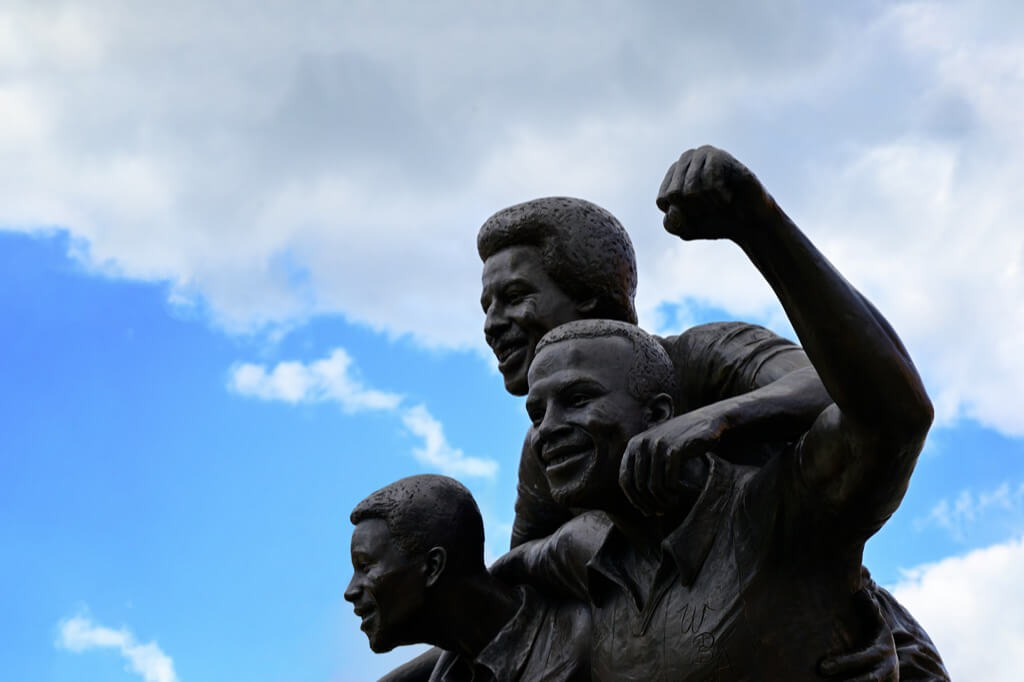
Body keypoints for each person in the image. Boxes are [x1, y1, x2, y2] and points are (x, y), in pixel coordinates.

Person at [494, 145, 944, 676]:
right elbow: (522, 601)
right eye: (488, 306)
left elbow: (841, 389)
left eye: (515, 296)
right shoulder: (548, 451)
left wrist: (713, 419)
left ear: (589, 296)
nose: (493, 322)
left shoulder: (701, 357)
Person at [345, 474, 591, 681]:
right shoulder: (455, 671)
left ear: (432, 567)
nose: (350, 591)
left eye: (365, 567)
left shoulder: (584, 639)